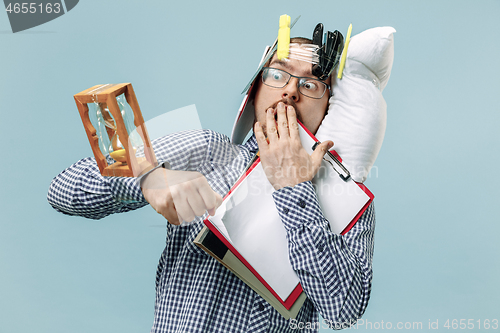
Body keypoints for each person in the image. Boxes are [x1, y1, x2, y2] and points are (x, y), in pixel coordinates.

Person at [48, 37, 375, 332]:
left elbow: (343, 311)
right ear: (255, 90)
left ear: (327, 106)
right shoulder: (206, 151)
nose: (290, 91)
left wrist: (295, 188)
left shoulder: (347, 202)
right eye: (277, 75)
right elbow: (62, 190)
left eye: (311, 85)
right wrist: (147, 177)